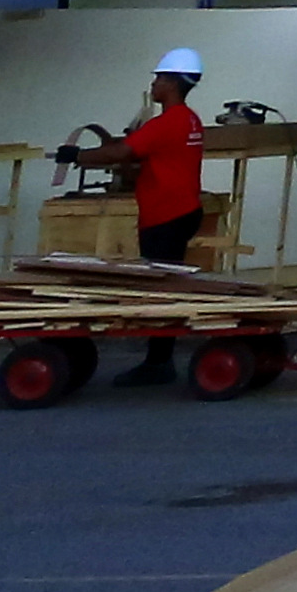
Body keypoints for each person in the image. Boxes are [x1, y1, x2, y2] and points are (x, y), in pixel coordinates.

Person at [119, 48, 212, 386]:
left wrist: (78, 156)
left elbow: (123, 151)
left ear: (172, 82)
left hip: (165, 216)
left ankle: (158, 363)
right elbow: (159, 159)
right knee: (166, 286)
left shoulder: (166, 123)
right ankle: (158, 360)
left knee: (160, 291)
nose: (153, 84)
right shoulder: (191, 120)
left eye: (158, 78)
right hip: (181, 210)